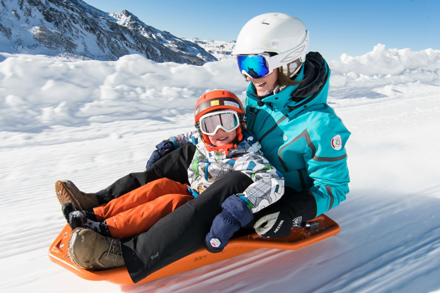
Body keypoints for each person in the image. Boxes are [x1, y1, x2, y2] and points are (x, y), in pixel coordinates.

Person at [56, 13, 350, 283]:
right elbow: (234, 135)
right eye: (242, 65)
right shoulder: (262, 98)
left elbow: (335, 187)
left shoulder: (321, 125)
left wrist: (291, 211)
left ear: (289, 63)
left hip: (271, 196)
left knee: (233, 183)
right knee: (188, 155)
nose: (247, 75)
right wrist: (179, 144)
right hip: (244, 168)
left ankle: (130, 254)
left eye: (255, 65)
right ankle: (96, 204)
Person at [66, 89, 284, 270]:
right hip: (193, 189)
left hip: (208, 207)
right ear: (202, 128)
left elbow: (274, 182)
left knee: (169, 202)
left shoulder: (247, 155)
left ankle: (108, 230)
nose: (219, 131)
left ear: (240, 123)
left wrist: (239, 206)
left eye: (227, 121)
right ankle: (96, 214)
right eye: (210, 124)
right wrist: (170, 143)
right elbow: (188, 136)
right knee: (161, 186)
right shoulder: (204, 140)